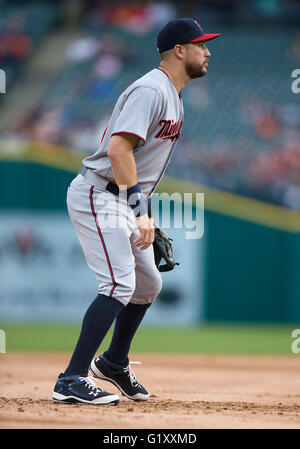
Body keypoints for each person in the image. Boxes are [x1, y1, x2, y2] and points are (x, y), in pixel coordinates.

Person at [52, 18, 220, 406]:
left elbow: (138, 162)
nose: (208, 51)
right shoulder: (151, 89)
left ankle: (112, 362)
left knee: (147, 286)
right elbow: (118, 150)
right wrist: (137, 210)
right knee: (117, 285)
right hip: (98, 193)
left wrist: (142, 209)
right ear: (180, 50)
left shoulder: (172, 93)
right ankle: (72, 378)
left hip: (121, 198)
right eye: (201, 45)